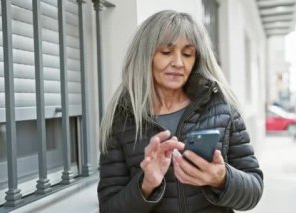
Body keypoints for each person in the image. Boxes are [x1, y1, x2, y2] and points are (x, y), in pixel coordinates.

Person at [97, 10, 263, 212]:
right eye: (166, 52)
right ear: (145, 56)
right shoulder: (121, 120)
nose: (178, 63)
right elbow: (109, 208)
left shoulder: (221, 108)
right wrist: (147, 184)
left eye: (187, 54)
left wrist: (221, 178)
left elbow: (254, 191)